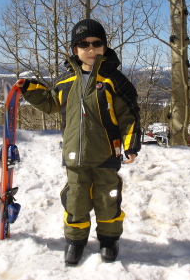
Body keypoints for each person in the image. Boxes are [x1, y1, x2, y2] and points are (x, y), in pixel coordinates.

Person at [16, 18, 141, 265]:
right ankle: (75, 241)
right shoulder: (65, 82)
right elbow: (51, 103)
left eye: (97, 43)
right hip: (75, 156)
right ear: (75, 49)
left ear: (105, 47)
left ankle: (108, 239)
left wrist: (131, 144)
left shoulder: (114, 81)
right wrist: (30, 89)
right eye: (84, 44)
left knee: (108, 199)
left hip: (106, 155)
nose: (91, 49)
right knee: (76, 199)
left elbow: (130, 115)